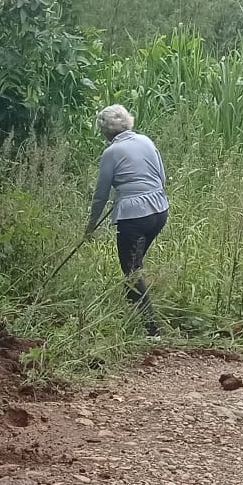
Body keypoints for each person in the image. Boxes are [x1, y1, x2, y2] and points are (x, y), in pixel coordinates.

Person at [86, 104, 168, 332]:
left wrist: (91, 225)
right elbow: (161, 178)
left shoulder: (111, 152)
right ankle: (131, 311)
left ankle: (151, 330)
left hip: (134, 217)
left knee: (131, 271)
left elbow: (101, 194)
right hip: (159, 211)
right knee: (134, 266)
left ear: (105, 130)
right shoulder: (146, 141)